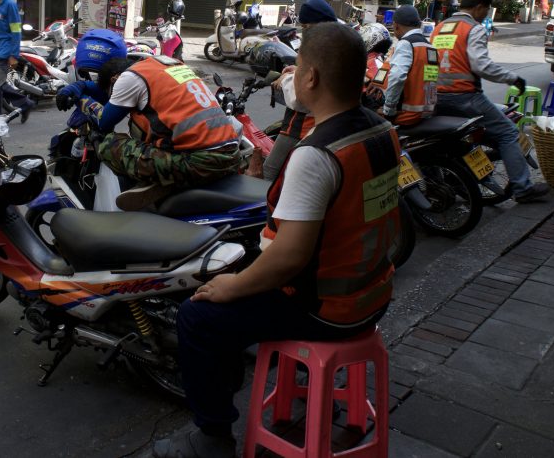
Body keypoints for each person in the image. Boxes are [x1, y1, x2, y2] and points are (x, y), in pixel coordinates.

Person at [153, 23, 400, 458]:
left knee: (199, 315)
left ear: (312, 78)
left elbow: (289, 259)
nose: (292, 76)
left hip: (325, 309)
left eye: (297, 67)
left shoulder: (318, 155)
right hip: (373, 293)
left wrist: (234, 286)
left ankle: (211, 436)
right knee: (233, 284)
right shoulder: (382, 130)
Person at [55, 30, 243, 211]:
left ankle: (164, 181)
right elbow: (103, 89)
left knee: (108, 142)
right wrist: (80, 85)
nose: (113, 99)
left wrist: (81, 99)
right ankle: (167, 176)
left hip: (200, 164)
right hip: (231, 155)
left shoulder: (127, 80)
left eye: (112, 94)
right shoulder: (163, 66)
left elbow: (104, 122)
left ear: (114, 80)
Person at [431, 0, 548, 203]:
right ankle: (523, 188)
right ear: (478, 7)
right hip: (466, 98)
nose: (486, 15)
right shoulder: (473, 28)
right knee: (508, 133)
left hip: (437, 99)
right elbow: (481, 65)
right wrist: (513, 78)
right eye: (486, 11)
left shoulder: (439, 28)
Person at [261, 0, 339, 182]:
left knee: (269, 172)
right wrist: (297, 71)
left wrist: (286, 79)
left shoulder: (318, 49)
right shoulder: (337, 45)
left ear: (318, 24)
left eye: (306, 26)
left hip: (301, 125)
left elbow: (301, 97)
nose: (304, 31)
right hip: (326, 125)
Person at [367, 5, 438, 126]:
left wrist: (388, 110)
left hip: (407, 114)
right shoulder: (430, 47)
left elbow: (397, 77)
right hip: (426, 112)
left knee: (366, 116)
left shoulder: (406, 44)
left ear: (396, 26)